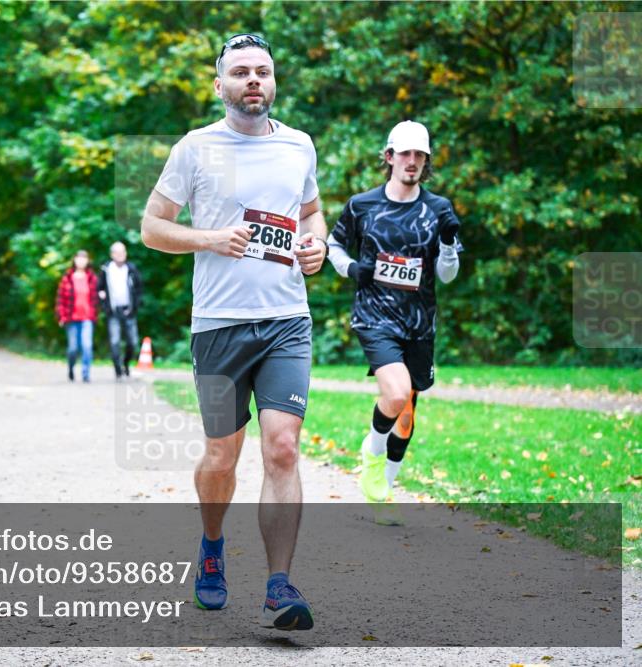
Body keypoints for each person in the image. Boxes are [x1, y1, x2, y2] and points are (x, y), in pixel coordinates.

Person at [141, 33, 327, 631]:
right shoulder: (196, 149)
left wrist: (317, 244)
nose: (254, 80)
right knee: (223, 454)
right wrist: (209, 238)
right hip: (219, 326)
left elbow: (312, 211)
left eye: (263, 72)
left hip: (285, 323)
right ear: (218, 84)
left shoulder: (299, 145)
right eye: (241, 71)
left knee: (283, 446)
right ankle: (213, 546)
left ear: (274, 83)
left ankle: (279, 585)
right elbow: (150, 227)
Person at [326, 120, 462, 515]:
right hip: (374, 316)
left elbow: (446, 275)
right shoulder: (362, 205)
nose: (412, 161)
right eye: (405, 153)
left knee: (406, 412)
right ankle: (371, 450)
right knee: (396, 392)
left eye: (420, 155)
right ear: (389, 157)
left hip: (419, 323)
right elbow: (333, 245)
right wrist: (352, 269)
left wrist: (450, 244)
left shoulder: (438, 209)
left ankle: (384, 488)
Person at [97, 241, 143, 381]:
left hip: (129, 310)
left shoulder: (131, 269)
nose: (120, 255)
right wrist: (103, 301)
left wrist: (136, 305)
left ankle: (126, 363)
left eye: (123, 252)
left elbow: (139, 288)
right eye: (117, 252)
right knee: (115, 341)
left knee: (133, 342)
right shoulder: (106, 269)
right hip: (113, 311)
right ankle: (118, 370)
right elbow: (99, 289)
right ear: (112, 255)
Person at [54, 250, 99, 383]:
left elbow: (96, 298)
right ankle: (71, 368)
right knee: (73, 348)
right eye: (79, 258)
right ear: (74, 260)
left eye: (84, 258)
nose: (81, 261)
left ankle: (86, 374)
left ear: (87, 261)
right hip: (71, 318)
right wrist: (61, 316)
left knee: (87, 346)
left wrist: (96, 312)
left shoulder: (92, 278)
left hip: (87, 318)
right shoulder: (67, 278)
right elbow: (60, 299)